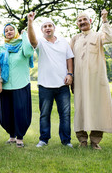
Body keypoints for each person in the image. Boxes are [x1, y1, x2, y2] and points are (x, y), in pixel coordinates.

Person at [70, 9, 112, 150]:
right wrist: (70, 77)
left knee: (98, 108)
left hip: (96, 80)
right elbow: (69, 59)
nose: (82, 22)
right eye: (79, 20)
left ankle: (95, 141)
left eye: (85, 19)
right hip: (79, 81)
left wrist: (104, 19)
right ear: (77, 24)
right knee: (80, 109)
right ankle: (82, 140)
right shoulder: (75, 39)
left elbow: (109, 38)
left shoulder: (98, 36)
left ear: (90, 21)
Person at [27, 12, 74, 148]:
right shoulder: (40, 42)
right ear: (42, 30)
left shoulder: (63, 42)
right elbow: (32, 40)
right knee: (44, 114)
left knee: (65, 115)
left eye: (50, 26)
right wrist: (30, 22)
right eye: (45, 27)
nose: (48, 28)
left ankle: (66, 141)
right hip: (45, 85)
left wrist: (70, 74)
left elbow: (69, 58)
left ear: (54, 28)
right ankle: (44, 139)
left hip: (62, 85)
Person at [0, 23, 34, 148]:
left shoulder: (22, 45)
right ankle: (11, 136)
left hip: (21, 84)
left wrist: (24, 35)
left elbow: (29, 52)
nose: (9, 32)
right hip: (6, 86)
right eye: (6, 30)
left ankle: (20, 137)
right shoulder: (1, 48)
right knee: (6, 114)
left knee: (21, 112)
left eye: (11, 29)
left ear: (16, 31)